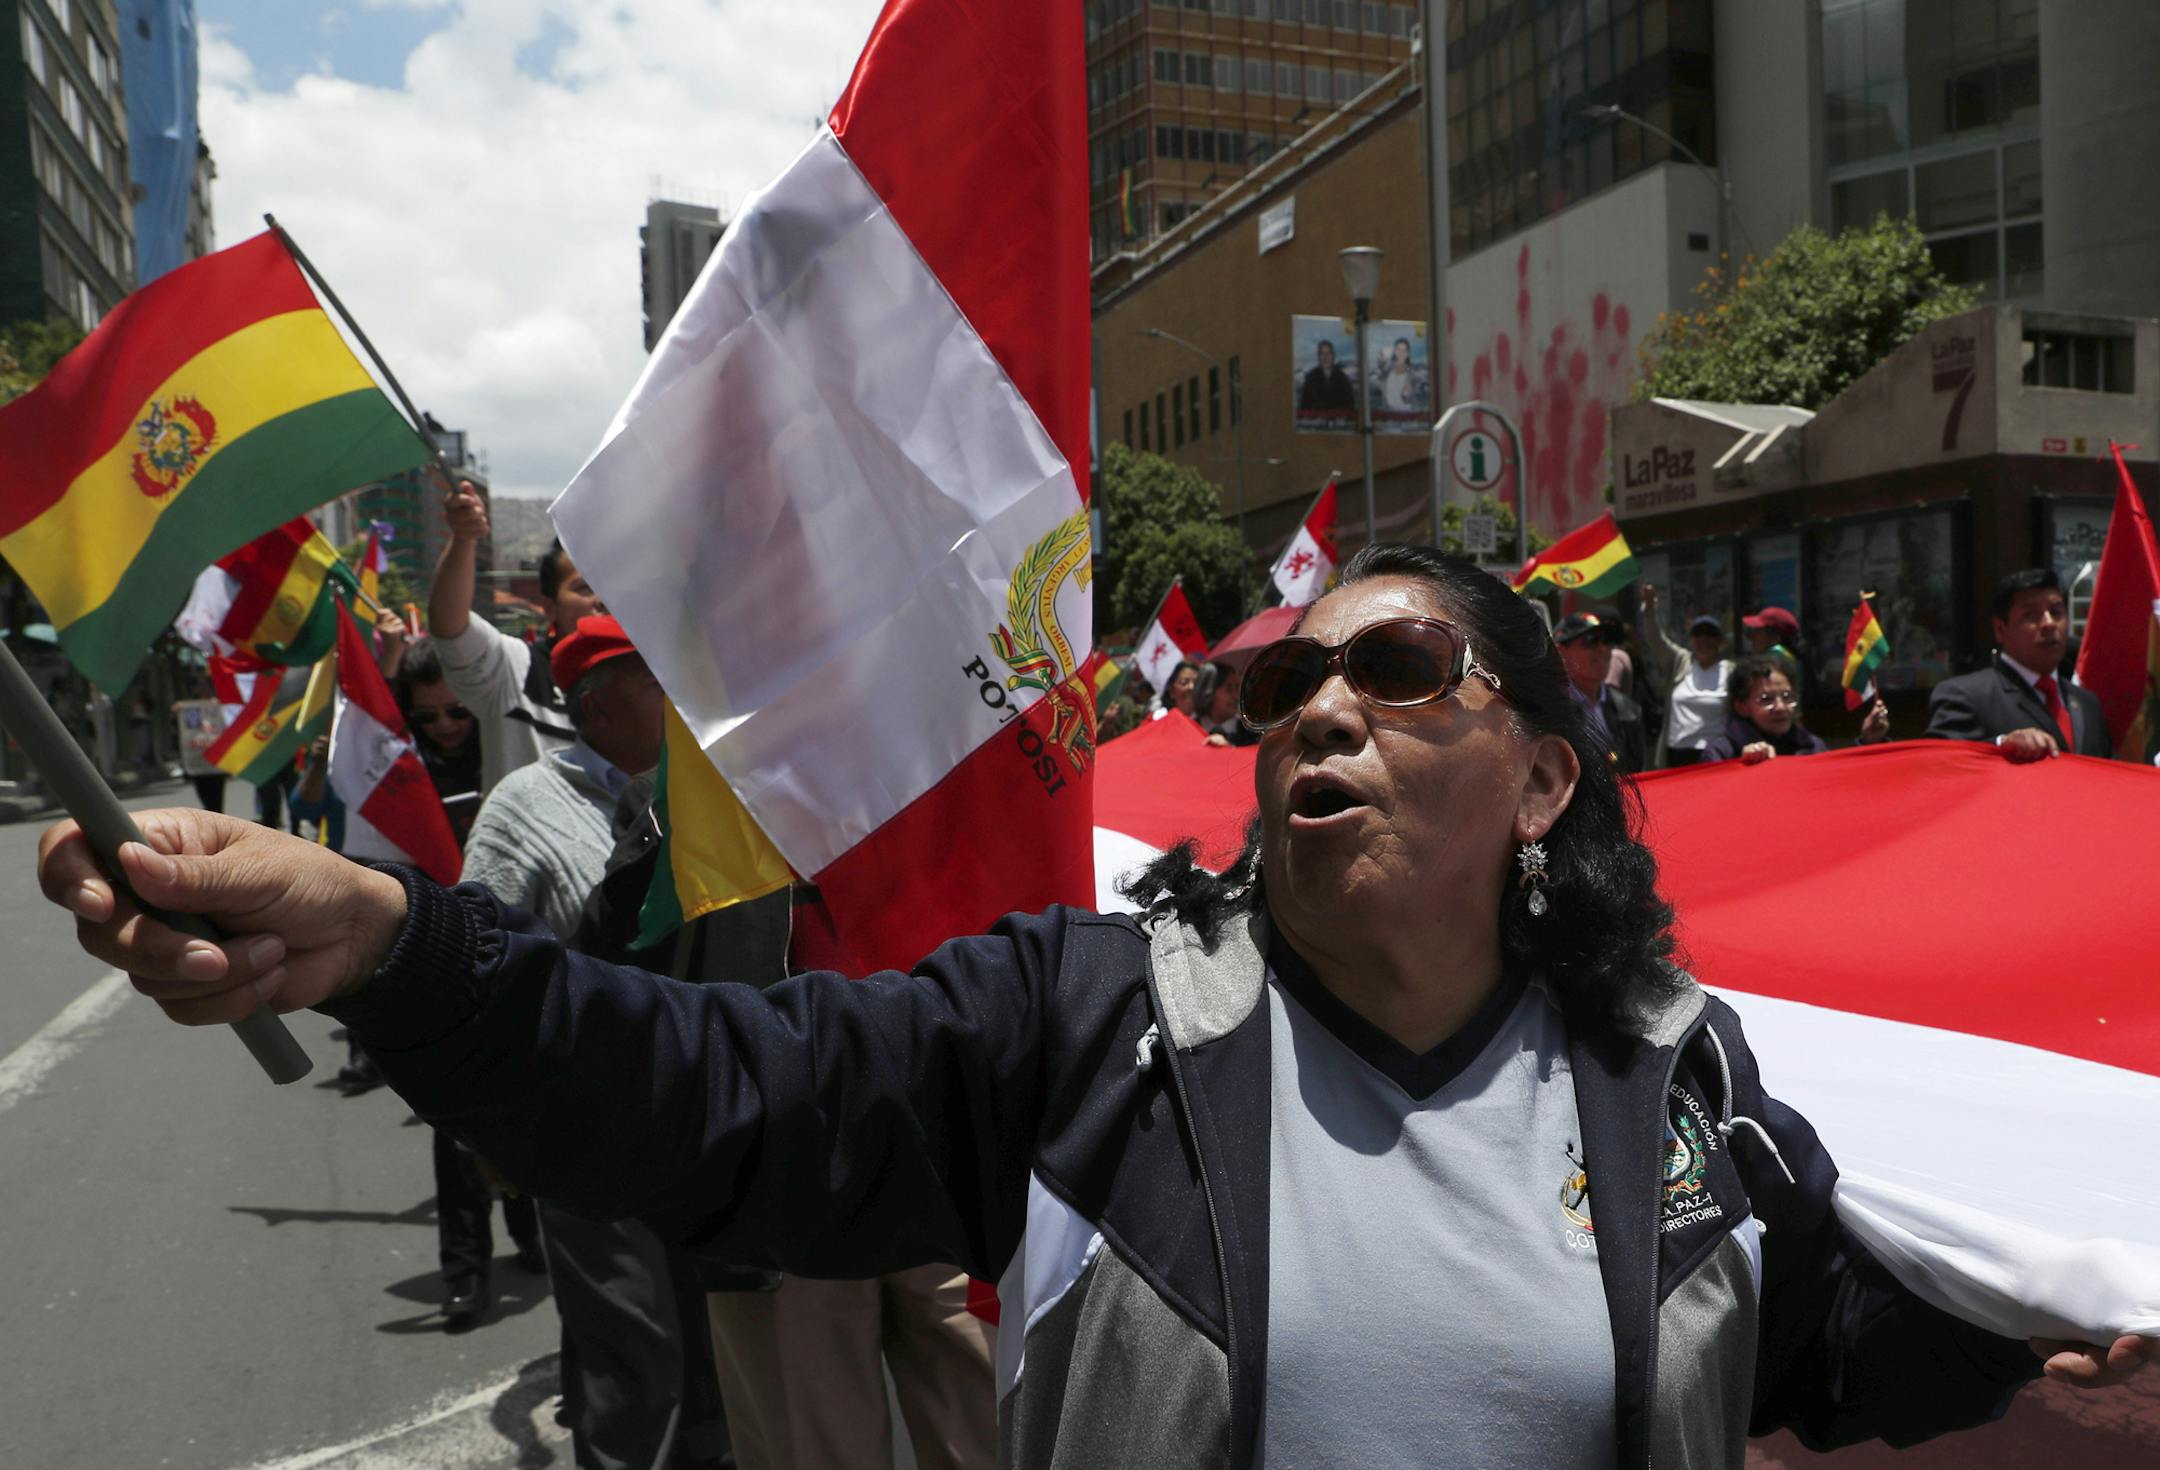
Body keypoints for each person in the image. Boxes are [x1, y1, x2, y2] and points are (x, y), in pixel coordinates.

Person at [35, 545, 2157, 1468]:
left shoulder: (1675, 1071)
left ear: (1540, 775)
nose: (1318, 704)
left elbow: (1821, 1334)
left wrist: (2040, 1330)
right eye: (1279, 687)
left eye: (1400, 674)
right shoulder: (1085, 1021)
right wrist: (408, 946)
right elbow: (711, 1097)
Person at [460, 615, 722, 1468]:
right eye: (657, 682)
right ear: (598, 704)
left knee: (721, 1356)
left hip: (712, 1114)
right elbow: (477, 967)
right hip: (589, 1130)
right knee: (637, 1363)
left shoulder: (719, 789)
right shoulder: (526, 807)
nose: (682, 697)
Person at [382, 635, 539, 1324]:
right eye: (428, 716)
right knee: (455, 1125)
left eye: (456, 712)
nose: (445, 726)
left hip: (515, 945)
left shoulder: (511, 752)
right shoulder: (396, 769)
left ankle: (532, 1227)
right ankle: (465, 1272)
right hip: (436, 959)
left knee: (536, 1105)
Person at [427, 478, 602, 792]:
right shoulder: (515, 668)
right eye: (584, 588)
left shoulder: (660, 677)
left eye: (612, 587)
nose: (602, 601)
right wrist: (464, 539)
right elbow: (450, 627)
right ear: (549, 607)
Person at [1926, 568, 2111, 762]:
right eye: (2031, 615)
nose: (2049, 623)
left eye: (2056, 612)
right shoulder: (1966, 696)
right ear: (2000, 629)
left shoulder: (2087, 703)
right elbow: (1940, 761)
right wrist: (2001, 745)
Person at [1637, 584, 1733, 768]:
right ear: (1691, 640)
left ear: (1721, 641)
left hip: (1716, 756)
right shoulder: (1680, 661)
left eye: (1710, 635)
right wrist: (1649, 608)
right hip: (1677, 755)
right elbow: (1656, 639)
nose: (1704, 640)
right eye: (1698, 634)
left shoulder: (1731, 671)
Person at [1553, 612, 1647, 774]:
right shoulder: (1550, 711)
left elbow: (1638, 772)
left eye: (1606, 641)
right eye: (1591, 641)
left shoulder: (1629, 710)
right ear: (1562, 652)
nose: (1602, 649)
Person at [1194, 660, 1256, 747]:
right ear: (1209, 692)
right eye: (1229, 689)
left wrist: (1229, 750)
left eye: (1237, 687)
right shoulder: (1190, 729)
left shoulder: (1251, 733)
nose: (1236, 695)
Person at [1296, 339, 1355, 418]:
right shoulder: (1310, 378)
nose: (1325, 357)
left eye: (1328, 353)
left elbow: (1350, 405)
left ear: (1333, 355)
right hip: (1315, 424)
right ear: (1318, 356)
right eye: (1322, 353)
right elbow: (1304, 406)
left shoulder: (1342, 378)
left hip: (1339, 424)